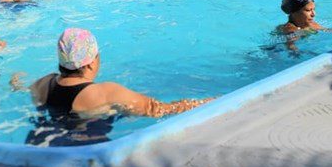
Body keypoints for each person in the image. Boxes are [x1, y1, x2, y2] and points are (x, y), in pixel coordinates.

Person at [20, 28, 212, 125]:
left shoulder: (43, 84)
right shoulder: (105, 93)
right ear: (91, 61)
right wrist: (203, 103)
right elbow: (157, 109)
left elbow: (22, 88)